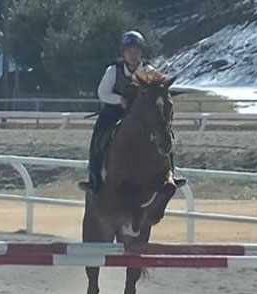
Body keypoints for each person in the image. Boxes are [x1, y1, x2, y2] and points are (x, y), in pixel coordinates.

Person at [79, 30, 185, 194]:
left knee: (164, 133)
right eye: (129, 51)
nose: (133, 55)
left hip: (142, 114)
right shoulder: (113, 71)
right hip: (116, 110)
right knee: (99, 133)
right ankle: (94, 178)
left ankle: (171, 173)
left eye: (136, 51)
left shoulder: (149, 70)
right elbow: (103, 93)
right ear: (124, 53)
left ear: (141, 52)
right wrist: (120, 100)